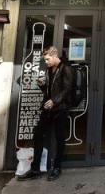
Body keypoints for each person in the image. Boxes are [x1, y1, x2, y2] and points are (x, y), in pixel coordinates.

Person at [18, 46, 74, 181]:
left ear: (55, 56)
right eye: (45, 60)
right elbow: (49, 90)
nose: (46, 62)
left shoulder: (66, 68)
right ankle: (35, 169)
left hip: (60, 108)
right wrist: (42, 85)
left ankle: (57, 168)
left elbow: (67, 89)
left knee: (59, 138)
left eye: (48, 59)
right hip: (48, 108)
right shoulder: (49, 70)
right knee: (38, 135)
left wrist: (54, 101)